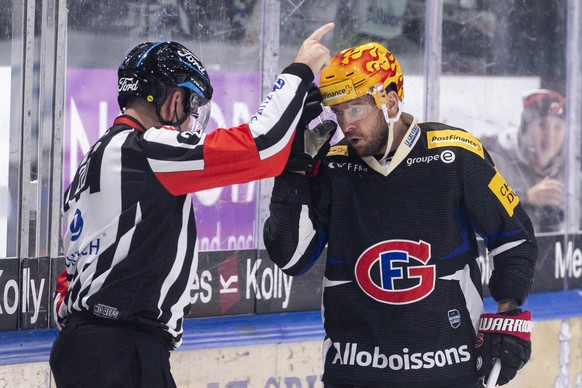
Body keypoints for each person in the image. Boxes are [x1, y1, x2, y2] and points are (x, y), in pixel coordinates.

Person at [49, 23, 334, 388]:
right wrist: (300, 70)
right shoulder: (146, 149)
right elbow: (262, 147)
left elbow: (68, 282)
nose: (192, 119)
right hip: (119, 353)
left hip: (98, 350)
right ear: (173, 100)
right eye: (193, 105)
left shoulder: (97, 160)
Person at [263, 42, 538, 387]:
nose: (346, 123)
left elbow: (515, 239)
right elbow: (291, 257)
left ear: (390, 102)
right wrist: (292, 171)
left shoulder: (455, 156)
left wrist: (509, 314)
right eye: (339, 111)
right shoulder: (332, 165)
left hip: (448, 370)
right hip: (354, 373)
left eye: (357, 108)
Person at [482, 89, 566, 233]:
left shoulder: (571, 171)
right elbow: (479, 208)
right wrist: (525, 197)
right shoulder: (495, 160)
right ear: (525, 129)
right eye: (542, 125)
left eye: (557, 127)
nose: (550, 135)